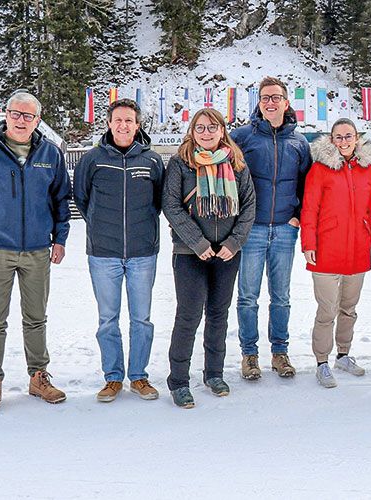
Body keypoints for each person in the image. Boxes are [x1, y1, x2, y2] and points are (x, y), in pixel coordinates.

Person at [0, 91, 70, 415]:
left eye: (28, 116)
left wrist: (60, 239)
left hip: (36, 250)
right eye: (16, 114)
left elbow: (61, 200)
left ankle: (38, 377)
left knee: (36, 319)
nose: (21, 120)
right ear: (5, 114)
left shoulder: (49, 153)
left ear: (38, 119)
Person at [162, 108, 256, 408]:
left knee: (218, 314)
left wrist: (235, 241)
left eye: (212, 127)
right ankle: (178, 381)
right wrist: (198, 242)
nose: (206, 133)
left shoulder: (236, 163)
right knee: (188, 316)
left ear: (221, 130)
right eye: (200, 128)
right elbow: (171, 206)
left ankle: (214, 373)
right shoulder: (180, 163)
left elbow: (249, 205)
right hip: (190, 253)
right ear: (192, 131)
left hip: (227, 252)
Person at [74, 98, 165, 403]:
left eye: (129, 120)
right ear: (109, 123)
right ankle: (112, 377)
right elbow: (83, 199)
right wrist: (101, 226)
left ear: (137, 125)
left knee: (141, 319)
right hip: (104, 253)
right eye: (118, 120)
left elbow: (159, 201)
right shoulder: (93, 159)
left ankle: (138, 376)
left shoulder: (151, 160)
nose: (123, 125)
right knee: (108, 319)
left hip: (142, 252)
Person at [231, 76, 311, 380]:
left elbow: (308, 184)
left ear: (286, 103)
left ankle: (280, 352)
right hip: (252, 229)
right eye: (265, 98)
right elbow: (228, 180)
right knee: (248, 295)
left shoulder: (299, 142)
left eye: (276, 97)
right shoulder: (243, 137)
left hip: (284, 229)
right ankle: (249, 355)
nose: (270, 102)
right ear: (259, 103)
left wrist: (298, 215)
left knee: (281, 295)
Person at [301, 118, 371, 388]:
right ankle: (322, 360)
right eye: (339, 137)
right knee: (327, 309)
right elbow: (309, 209)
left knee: (349, 309)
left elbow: (370, 208)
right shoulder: (320, 170)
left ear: (357, 138)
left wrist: (369, 236)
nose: (344, 141)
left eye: (348, 136)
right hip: (326, 249)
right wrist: (308, 243)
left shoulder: (366, 169)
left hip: (357, 250)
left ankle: (343, 354)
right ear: (331, 140)